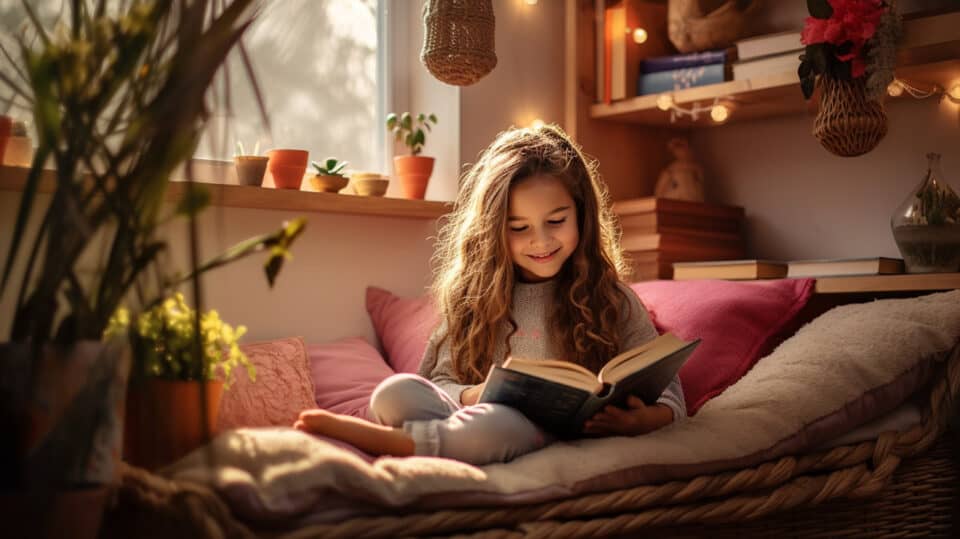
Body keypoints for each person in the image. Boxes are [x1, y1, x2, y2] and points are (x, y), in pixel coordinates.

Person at [295, 124, 685, 464]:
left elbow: (670, 393)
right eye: (519, 228)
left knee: (496, 426)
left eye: (556, 221)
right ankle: (432, 439)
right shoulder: (475, 298)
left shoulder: (610, 297)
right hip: (477, 411)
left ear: (581, 214)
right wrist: (473, 394)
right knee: (393, 394)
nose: (541, 240)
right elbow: (438, 383)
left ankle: (403, 444)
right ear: (494, 230)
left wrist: (643, 420)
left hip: (535, 431)